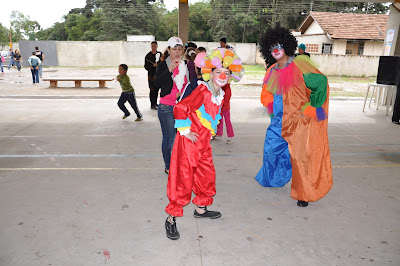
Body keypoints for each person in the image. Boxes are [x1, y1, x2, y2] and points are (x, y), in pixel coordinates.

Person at [164, 48, 244, 240]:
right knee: (183, 180)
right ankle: (171, 218)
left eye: (226, 73)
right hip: (190, 143)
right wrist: (185, 131)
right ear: (210, 73)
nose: (222, 76)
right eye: (218, 72)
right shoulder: (203, 89)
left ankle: (200, 208)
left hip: (204, 143)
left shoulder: (219, 93)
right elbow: (181, 107)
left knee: (206, 175)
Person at [255, 27, 332, 207]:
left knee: (300, 158)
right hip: (278, 121)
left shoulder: (300, 66)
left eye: (279, 45)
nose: (276, 50)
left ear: (287, 45)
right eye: (272, 46)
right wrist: (271, 108)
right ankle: (272, 178)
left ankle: (303, 193)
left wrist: (311, 107)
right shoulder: (272, 70)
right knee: (271, 150)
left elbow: (321, 83)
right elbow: (267, 91)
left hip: (299, 122)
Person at [154, 37, 189, 175]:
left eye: (180, 49)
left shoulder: (185, 64)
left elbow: (189, 85)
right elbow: (156, 84)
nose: (177, 52)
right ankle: (168, 165)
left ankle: (178, 163)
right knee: (170, 139)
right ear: (168, 50)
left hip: (182, 108)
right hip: (167, 108)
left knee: (182, 138)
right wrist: (169, 69)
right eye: (174, 49)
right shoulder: (162, 65)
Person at [144, 41, 162, 110]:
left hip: (158, 75)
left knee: (157, 89)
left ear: (157, 46)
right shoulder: (148, 56)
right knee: (152, 89)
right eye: (152, 46)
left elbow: (163, 63)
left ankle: (155, 103)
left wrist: (158, 65)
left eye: (155, 45)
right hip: (151, 75)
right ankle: (152, 104)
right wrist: (153, 66)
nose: (153, 47)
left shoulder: (160, 54)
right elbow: (146, 66)